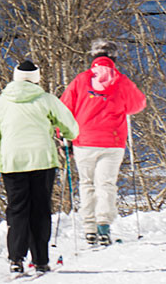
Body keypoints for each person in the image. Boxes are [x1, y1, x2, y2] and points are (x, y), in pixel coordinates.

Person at [0, 59, 80, 274]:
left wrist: (5, 142)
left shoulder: (3, 101)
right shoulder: (46, 99)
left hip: (12, 162)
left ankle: (16, 259)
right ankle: (40, 260)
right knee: (40, 208)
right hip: (42, 160)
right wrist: (66, 136)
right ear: (37, 78)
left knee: (17, 209)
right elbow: (70, 126)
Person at [60, 39, 147, 246]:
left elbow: (64, 109)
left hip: (84, 140)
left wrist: (64, 137)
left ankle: (89, 228)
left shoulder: (81, 80)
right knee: (106, 184)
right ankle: (103, 226)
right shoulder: (121, 81)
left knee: (87, 183)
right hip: (112, 142)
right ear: (114, 58)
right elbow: (138, 104)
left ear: (92, 57)